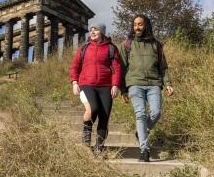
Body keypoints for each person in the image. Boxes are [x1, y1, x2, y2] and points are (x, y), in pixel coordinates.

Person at [119, 15, 174, 162]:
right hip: (135, 83)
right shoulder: (127, 44)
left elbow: (163, 67)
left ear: (146, 26)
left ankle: (141, 132)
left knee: (156, 113)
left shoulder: (157, 45)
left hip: (154, 83)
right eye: (135, 24)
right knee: (141, 115)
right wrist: (122, 88)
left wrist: (167, 83)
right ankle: (144, 149)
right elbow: (122, 68)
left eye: (140, 24)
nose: (137, 27)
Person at [70, 23, 121, 157]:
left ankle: (99, 147)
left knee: (104, 117)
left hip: (106, 86)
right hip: (87, 84)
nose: (92, 32)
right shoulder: (85, 47)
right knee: (93, 109)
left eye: (96, 30)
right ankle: (87, 129)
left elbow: (117, 68)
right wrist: (75, 82)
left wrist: (115, 85)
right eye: (91, 30)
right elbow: (75, 66)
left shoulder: (111, 48)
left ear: (102, 33)